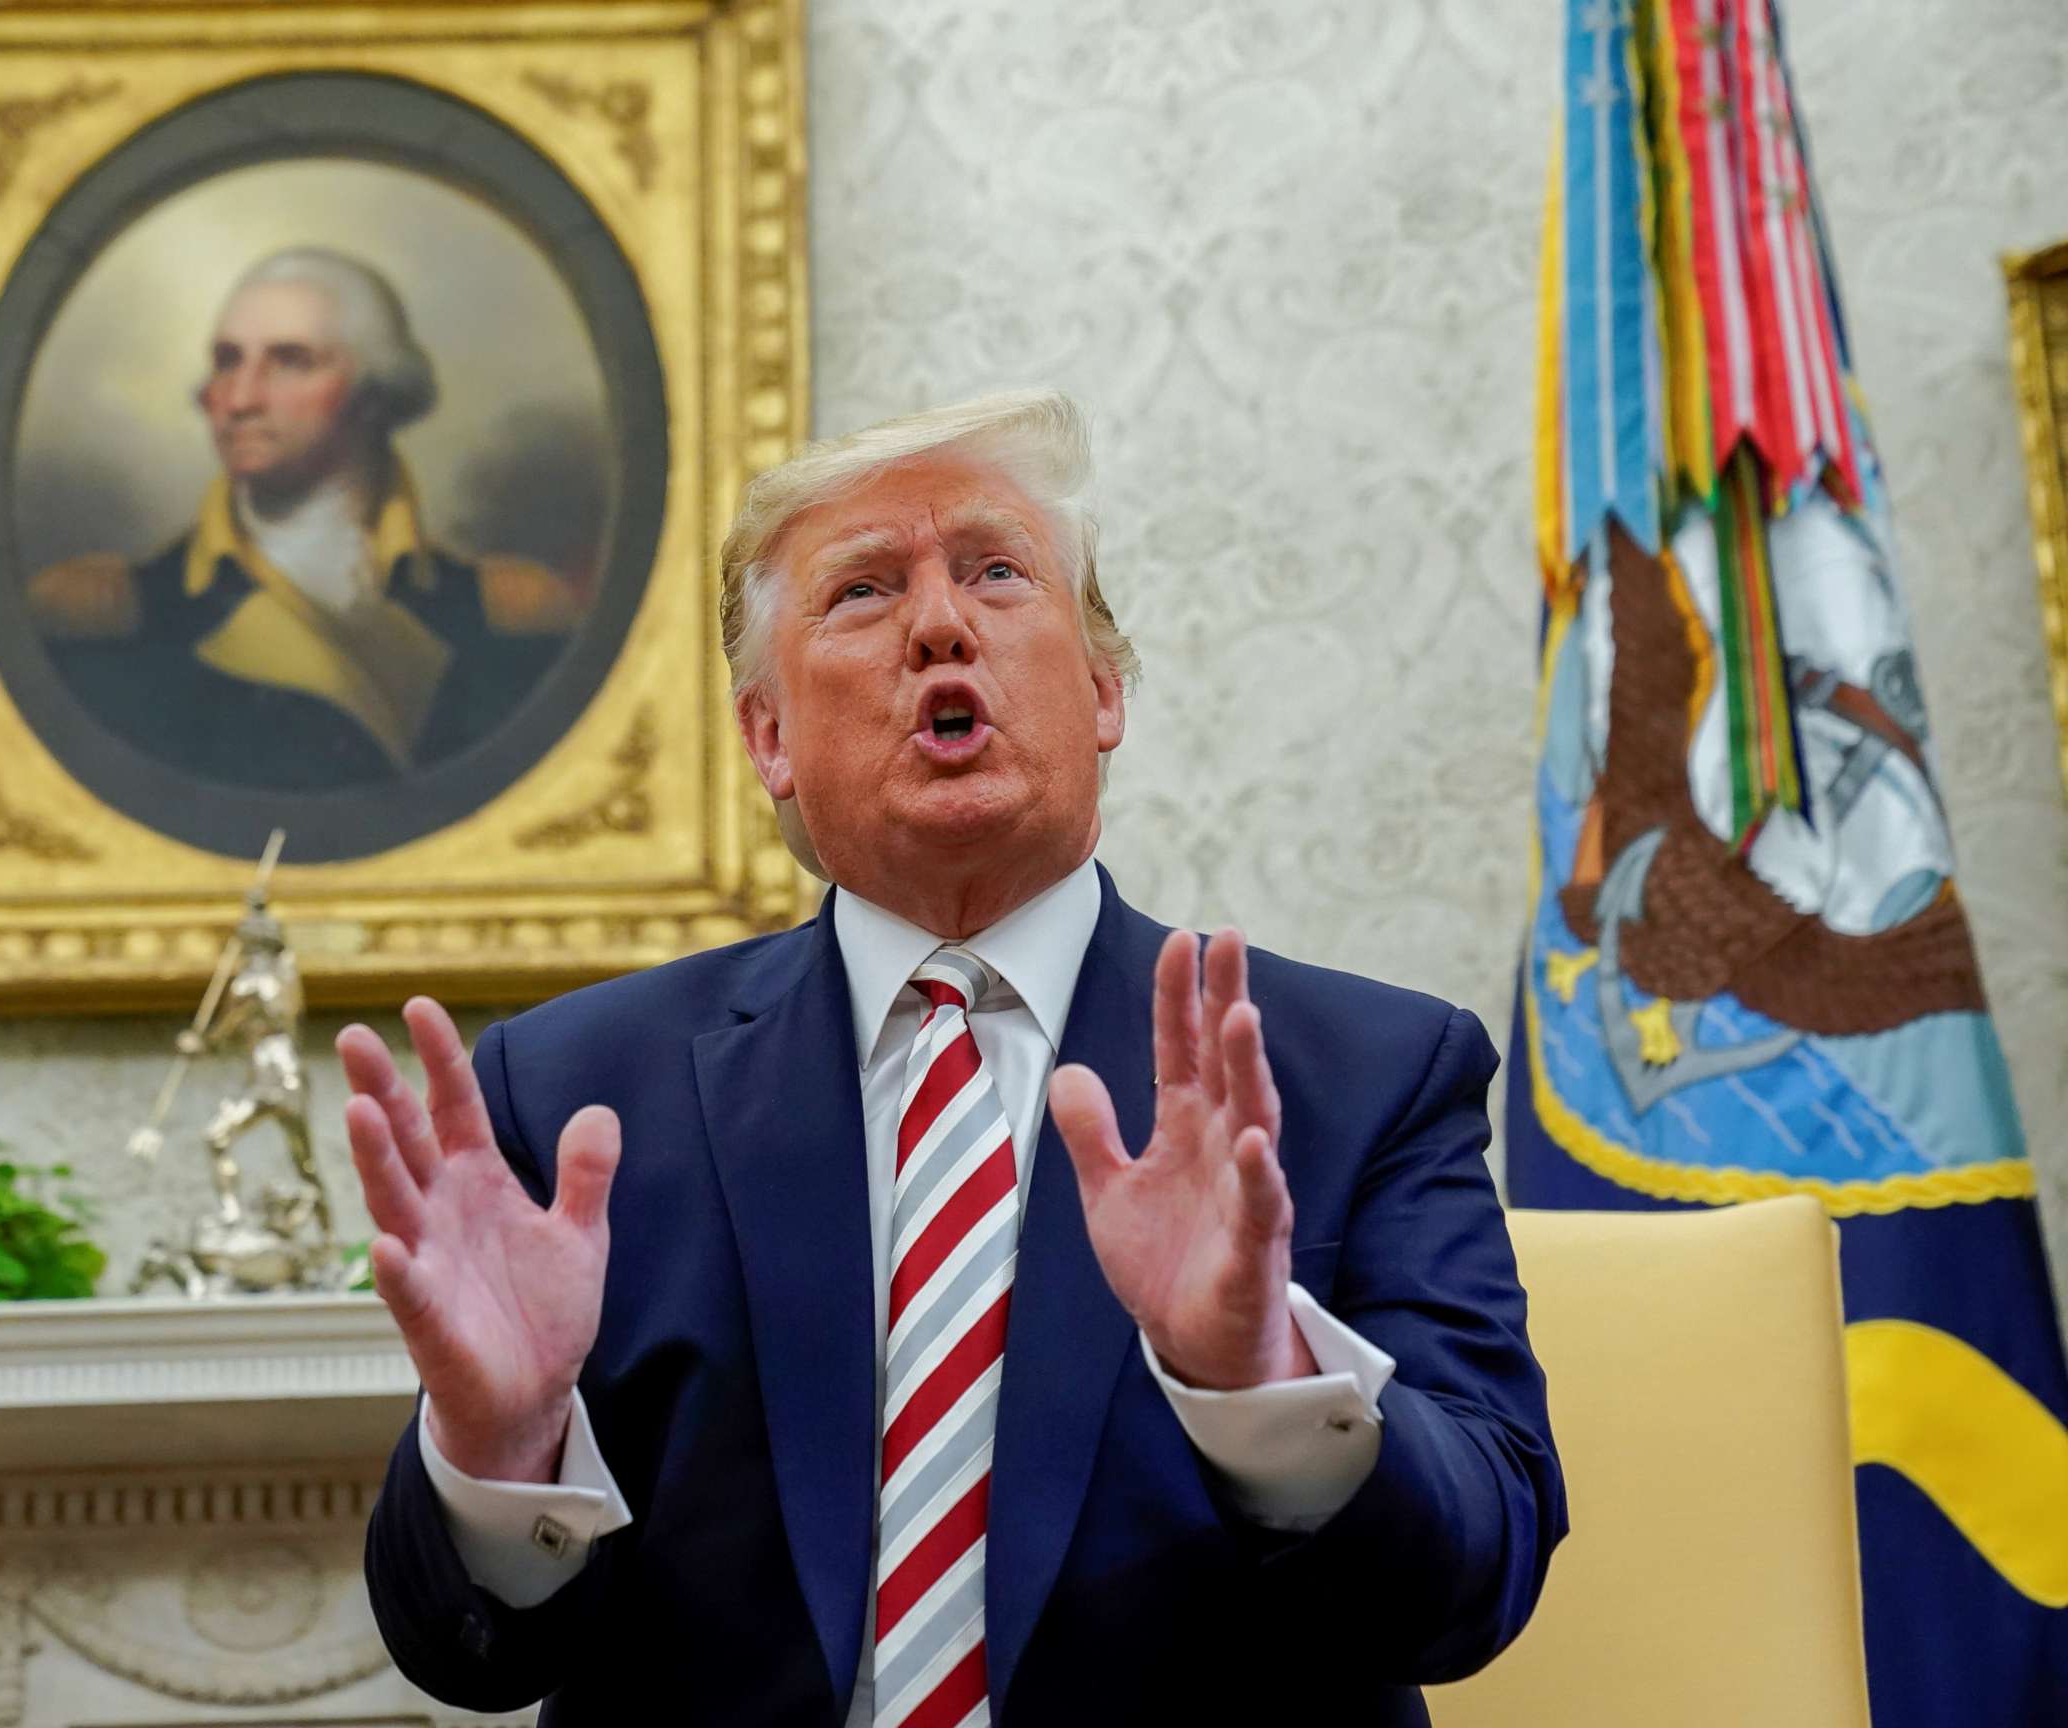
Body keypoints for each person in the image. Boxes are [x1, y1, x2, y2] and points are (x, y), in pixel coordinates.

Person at [340, 391, 1566, 1725]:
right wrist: (500, 1449)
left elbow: (1476, 1582)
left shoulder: (1359, 1073)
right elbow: (465, 1657)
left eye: (995, 571)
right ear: (768, 740)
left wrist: (1265, 1376)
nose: (938, 624)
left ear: (1102, 692)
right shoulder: (581, 1100)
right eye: (862, 594)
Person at [28, 248, 582, 791]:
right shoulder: (106, 617)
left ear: (373, 394)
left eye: (290, 361)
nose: (240, 399)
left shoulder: (509, 614)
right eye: (227, 361)